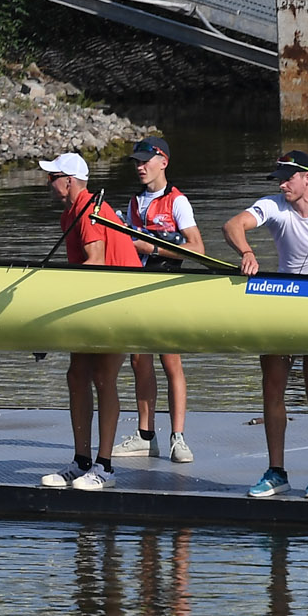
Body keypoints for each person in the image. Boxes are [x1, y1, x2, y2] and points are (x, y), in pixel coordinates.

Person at [222, 149, 308, 499]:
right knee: (272, 389)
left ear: (307, 179)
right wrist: (247, 252)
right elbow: (233, 225)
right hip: (282, 308)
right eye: (279, 178)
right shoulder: (274, 207)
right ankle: (276, 472)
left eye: (288, 177)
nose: (282, 184)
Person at [38, 152, 140, 492]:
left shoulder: (90, 210)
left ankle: (105, 466)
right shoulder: (71, 213)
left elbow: (95, 262)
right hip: (92, 302)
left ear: (69, 181)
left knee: (103, 376)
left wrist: (52, 291)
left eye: (53, 177)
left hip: (119, 300)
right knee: (76, 374)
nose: (48, 183)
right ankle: (81, 461)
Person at [111, 136, 202, 465]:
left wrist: (151, 248)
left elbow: (196, 248)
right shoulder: (134, 203)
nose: (139, 166)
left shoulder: (178, 201)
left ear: (163, 162)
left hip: (168, 285)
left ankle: (178, 437)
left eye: (145, 161)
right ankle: (146, 436)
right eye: (136, 161)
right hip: (139, 286)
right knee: (139, 361)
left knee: (170, 361)